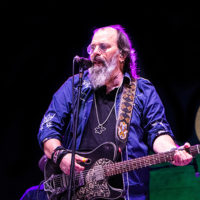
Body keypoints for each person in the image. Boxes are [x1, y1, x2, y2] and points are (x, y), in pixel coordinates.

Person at [27, 25, 193, 200]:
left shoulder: (142, 91)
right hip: (73, 191)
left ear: (122, 55)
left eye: (103, 47)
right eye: (92, 48)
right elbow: (48, 127)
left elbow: (157, 131)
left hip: (125, 194)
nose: (94, 52)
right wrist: (61, 155)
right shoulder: (74, 86)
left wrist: (173, 151)